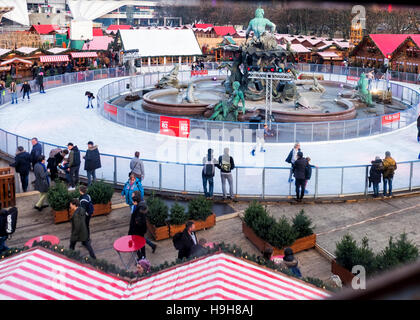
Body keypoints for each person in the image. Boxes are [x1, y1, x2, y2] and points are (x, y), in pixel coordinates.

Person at [128, 194, 148, 260]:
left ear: (136, 202)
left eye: (133, 201)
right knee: (142, 243)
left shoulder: (138, 209)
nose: (133, 203)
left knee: (136, 244)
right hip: (142, 230)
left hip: (136, 230)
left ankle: (140, 257)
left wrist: (134, 226)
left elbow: (137, 221)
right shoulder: (142, 206)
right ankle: (143, 257)